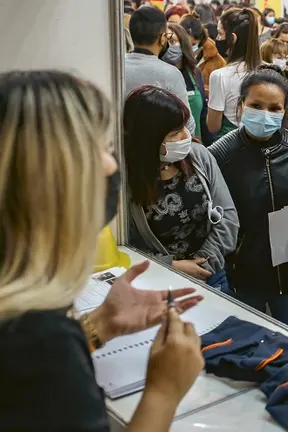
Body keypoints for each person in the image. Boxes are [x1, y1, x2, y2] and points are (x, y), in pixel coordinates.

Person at [0, 69, 205, 432]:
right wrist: (164, 390)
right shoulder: (36, 343)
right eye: (93, 148)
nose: (110, 164)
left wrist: (98, 326)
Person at [208, 70, 288, 337]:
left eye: (274, 108)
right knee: (245, 349)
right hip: (243, 278)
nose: (265, 114)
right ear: (240, 106)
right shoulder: (219, 155)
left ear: (287, 111)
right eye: (256, 106)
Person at [123, 86, 238, 291]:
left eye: (185, 126)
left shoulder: (199, 156)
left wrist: (201, 264)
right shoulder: (127, 182)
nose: (186, 135)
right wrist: (173, 267)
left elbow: (228, 217)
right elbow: (126, 245)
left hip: (210, 274)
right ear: (149, 140)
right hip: (158, 282)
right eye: (175, 133)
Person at [126, 6, 196, 135]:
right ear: (162, 38)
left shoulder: (118, 68)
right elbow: (187, 124)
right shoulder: (170, 74)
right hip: (160, 150)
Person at [207, 7, 261, 139]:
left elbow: (213, 126)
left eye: (220, 34)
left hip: (230, 147)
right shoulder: (268, 71)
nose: (217, 39)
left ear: (233, 38)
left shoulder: (220, 76)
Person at [164, 23, 211, 142]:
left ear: (183, 44)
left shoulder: (195, 73)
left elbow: (203, 116)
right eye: (166, 42)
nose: (169, 46)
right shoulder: (160, 75)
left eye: (173, 41)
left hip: (195, 144)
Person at [180, 13, 226, 96]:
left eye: (193, 44)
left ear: (201, 40)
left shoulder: (217, 62)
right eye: (186, 44)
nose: (189, 48)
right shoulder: (172, 57)